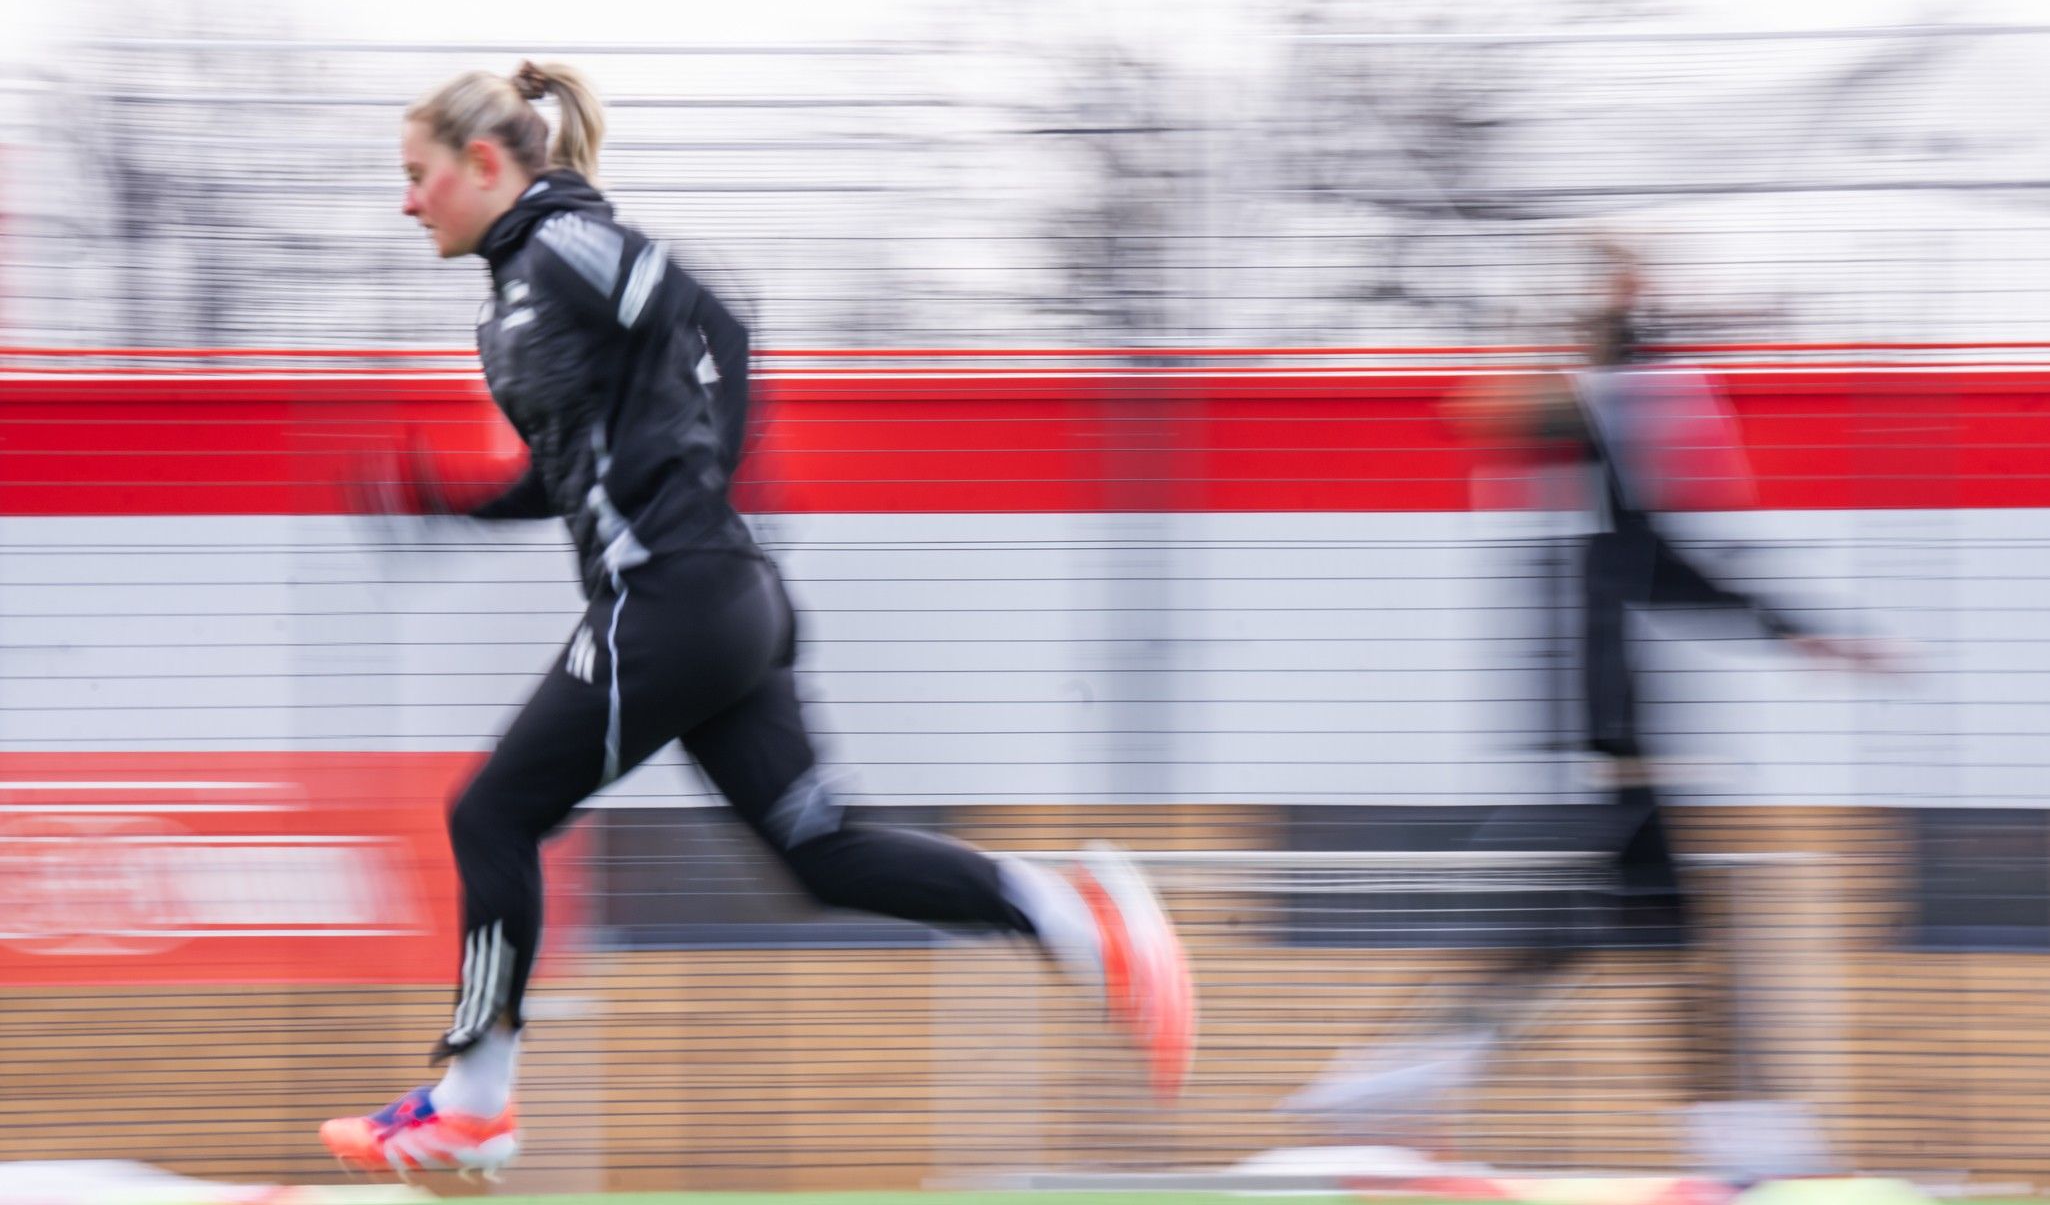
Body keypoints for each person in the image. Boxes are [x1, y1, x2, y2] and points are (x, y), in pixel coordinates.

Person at [320, 62, 1194, 1178]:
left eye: (416, 174)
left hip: (679, 595)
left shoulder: (562, 248)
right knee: (822, 854)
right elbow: (572, 473)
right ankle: (1079, 917)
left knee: (490, 814)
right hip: (716, 607)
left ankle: (474, 1103)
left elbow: (717, 319)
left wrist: (706, 476)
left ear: (483, 163)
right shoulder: (511, 309)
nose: (406, 201)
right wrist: (450, 503)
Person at [1289, 241, 1887, 1179]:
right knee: (1654, 931)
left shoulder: (1615, 458)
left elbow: (1671, 565)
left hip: (1606, 728)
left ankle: (1398, 1078)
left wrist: (1795, 628)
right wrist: (1602, 310)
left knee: (1614, 932)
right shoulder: (1607, 430)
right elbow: (1507, 414)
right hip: (1613, 735)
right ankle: (1736, 1140)